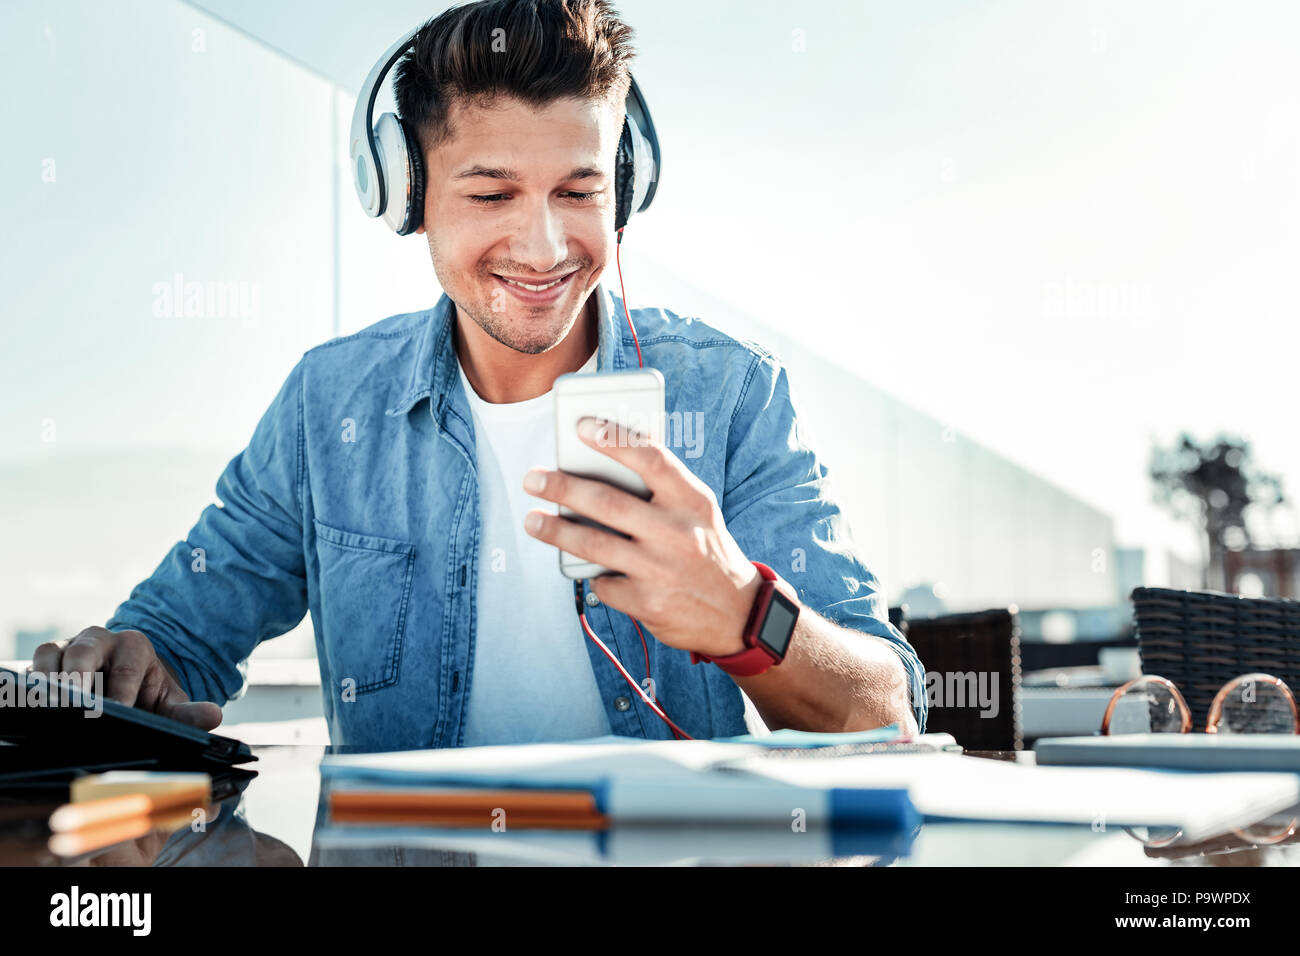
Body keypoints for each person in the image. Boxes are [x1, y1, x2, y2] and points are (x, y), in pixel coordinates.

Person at [33, 0, 926, 749]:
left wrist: (747, 618)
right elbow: (178, 640)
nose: (543, 247)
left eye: (579, 193)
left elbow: (886, 711)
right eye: (492, 194)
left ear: (627, 185)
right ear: (407, 196)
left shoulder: (731, 396)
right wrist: (120, 667)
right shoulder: (329, 404)